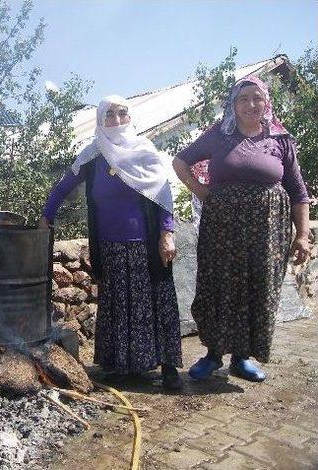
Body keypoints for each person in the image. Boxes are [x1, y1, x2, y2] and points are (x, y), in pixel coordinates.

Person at [172, 76, 311, 383]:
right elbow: (180, 162)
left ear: (266, 103)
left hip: (267, 232)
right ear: (233, 105)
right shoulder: (218, 136)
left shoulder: (281, 140)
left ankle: (242, 358)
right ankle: (212, 355)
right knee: (217, 285)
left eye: (256, 98)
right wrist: (201, 191)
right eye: (243, 99)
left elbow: (299, 192)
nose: (251, 105)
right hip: (222, 229)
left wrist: (302, 234)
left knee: (258, 288)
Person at [40, 95, 183, 389]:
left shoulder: (144, 151)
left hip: (147, 246)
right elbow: (62, 186)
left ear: (129, 118)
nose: (117, 120)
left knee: (156, 302)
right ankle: (123, 367)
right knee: (118, 307)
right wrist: (45, 218)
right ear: (100, 120)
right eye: (110, 115)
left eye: (122, 114)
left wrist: (166, 233)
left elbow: (163, 195)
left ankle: (167, 367)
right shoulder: (92, 157)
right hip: (110, 247)